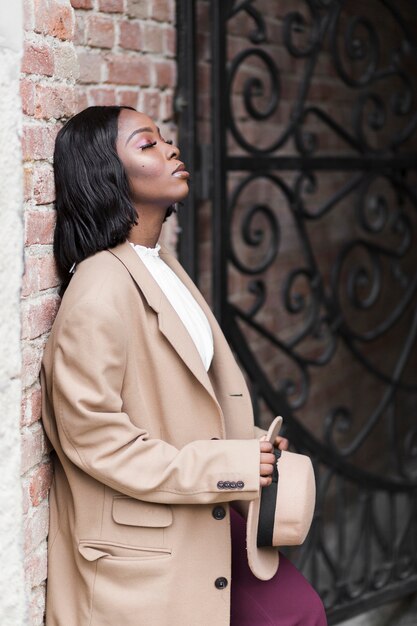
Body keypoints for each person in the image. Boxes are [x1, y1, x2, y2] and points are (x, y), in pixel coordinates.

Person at [41, 105, 327, 626]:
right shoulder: (100, 287)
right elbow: (95, 439)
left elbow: (181, 400)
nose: (171, 148)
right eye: (147, 145)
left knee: (298, 611)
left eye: (164, 138)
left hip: (200, 510)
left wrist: (251, 444)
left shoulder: (160, 263)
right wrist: (229, 467)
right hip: (147, 539)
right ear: (107, 172)